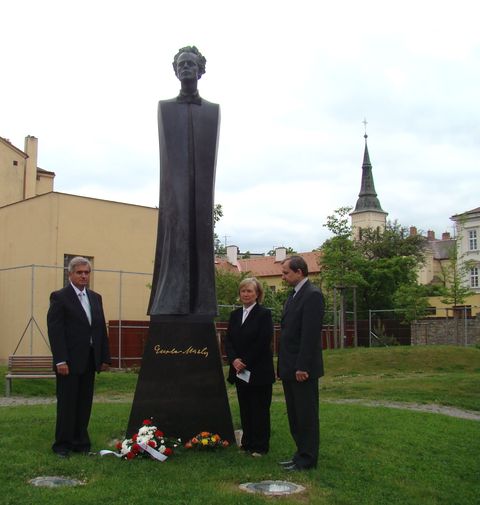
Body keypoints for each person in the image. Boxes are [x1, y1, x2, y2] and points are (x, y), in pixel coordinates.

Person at [148, 46, 220, 317]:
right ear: (175, 71)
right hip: (174, 198)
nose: (186, 68)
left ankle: (201, 301)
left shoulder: (212, 110)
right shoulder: (165, 108)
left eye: (191, 64)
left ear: (200, 70)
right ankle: (171, 299)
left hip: (201, 198)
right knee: (175, 230)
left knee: (200, 232)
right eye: (181, 64)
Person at [47, 256, 111, 458]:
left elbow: (100, 329)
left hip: (89, 359)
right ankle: (62, 445)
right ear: (70, 274)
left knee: (84, 403)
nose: (84, 276)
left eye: (87, 272)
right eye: (79, 272)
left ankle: (81, 443)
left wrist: (104, 357)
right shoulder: (60, 297)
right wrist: (60, 360)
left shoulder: (95, 297)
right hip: (69, 361)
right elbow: (55, 331)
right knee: (67, 404)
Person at [277, 255, 325, 471]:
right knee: (295, 416)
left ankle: (308, 458)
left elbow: (310, 335)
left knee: (306, 416)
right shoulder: (293, 295)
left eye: (286, 273)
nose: (283, 277)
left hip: (302, 368)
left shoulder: (312, 295)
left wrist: (303, 366)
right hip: (289, 367)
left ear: (299, 272)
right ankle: (299, 454)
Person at [225, 277, 275, 456]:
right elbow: (228, 340)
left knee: (259, 409)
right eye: (243, 291)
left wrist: (244, 361)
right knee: (245, 408)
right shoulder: (235, 315)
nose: (246, 294)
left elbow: (263, 341)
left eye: (249, 291)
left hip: (258, 370)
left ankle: (260, 446)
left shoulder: (264, 314)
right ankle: (247, 444)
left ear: (257, 294)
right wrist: (234, 360)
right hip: (239, 371)